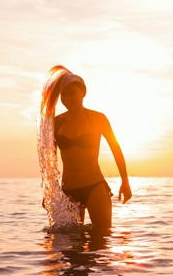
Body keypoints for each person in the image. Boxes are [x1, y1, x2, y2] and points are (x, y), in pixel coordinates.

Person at [41, 66, 132, 229]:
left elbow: (116, 149)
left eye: (73, 93)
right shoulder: (56, 122)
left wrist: (125, 181)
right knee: (71, 248)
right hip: (68, 191)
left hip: (94, 186)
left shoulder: (98, 119)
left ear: (83, 93)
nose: (68, 98)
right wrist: (50, 192)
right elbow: (50, 160)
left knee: (102, 238)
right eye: (65, 95)